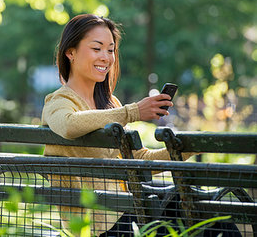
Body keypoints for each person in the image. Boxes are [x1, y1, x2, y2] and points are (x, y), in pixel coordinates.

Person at [41, 14, 241, 236]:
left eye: (110, 50)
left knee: (209, 212)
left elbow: (140, 160)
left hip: (129, 210)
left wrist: (188, 147)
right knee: (199, 214)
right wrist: (133, 112)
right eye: (96, 48)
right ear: (70, 52)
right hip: (98, 226)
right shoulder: (59, 101)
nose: (106, 57)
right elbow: (68, 125)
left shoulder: (110, 104)